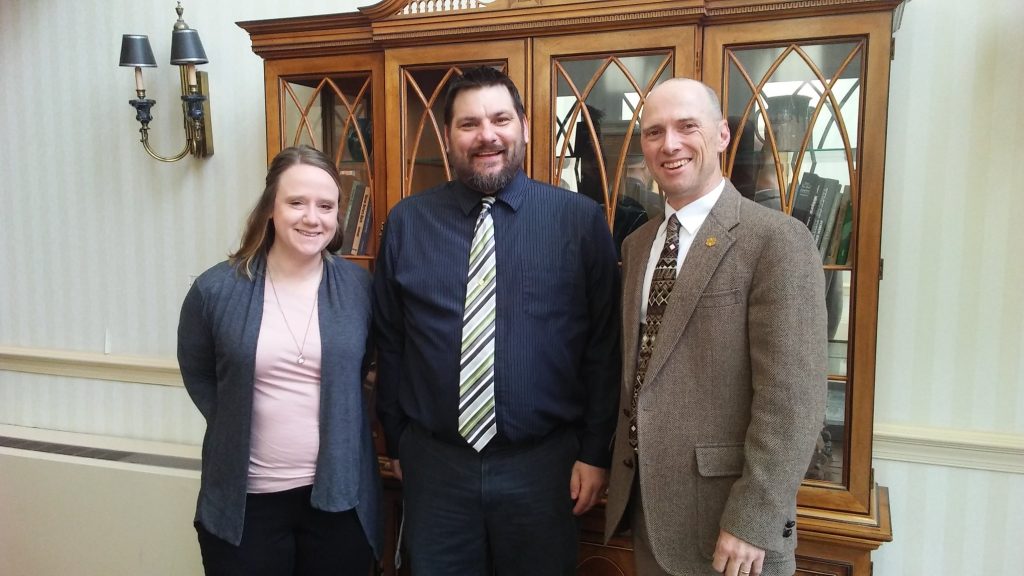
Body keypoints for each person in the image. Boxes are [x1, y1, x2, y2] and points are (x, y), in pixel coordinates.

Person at [373, 66, 621, 575]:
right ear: (448, 137)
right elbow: (392, 340)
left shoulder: (579, 221)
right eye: (468, 124)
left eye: (500, 119)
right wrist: (397, 441)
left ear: (525, 127)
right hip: (436, 468)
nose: (486, 135)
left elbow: (603, 347)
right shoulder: (406, 222)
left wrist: (596, 453)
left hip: (546, 469)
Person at [604, 78, 827, 576]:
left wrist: (753, 520)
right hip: (649, 511)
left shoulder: (777, 241)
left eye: (688, 127)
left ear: (722, 135)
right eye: (654, 132)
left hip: (734, 531)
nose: (671, 144)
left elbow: (793, 401)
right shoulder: (638, 245)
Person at [177, 146, 382, 576]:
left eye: (326, 206)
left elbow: (362, 368)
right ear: (271, 207)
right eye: (296, 203)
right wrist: (233, 418)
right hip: (247, 502)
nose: (313, 218)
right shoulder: (216, 290)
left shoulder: (360, 288)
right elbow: (198, 371)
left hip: (338, 498)